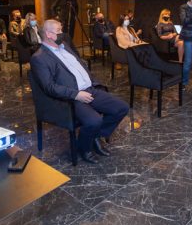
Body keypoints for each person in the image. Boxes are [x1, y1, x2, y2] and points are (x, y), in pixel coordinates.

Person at [30, 19, 129, 164]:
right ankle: (84, 148)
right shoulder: (39, 58)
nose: (62, 33)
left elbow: (80, 66)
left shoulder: (65, 46)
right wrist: (76, 94)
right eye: (58, 31)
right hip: (70, 97)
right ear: (49, 34)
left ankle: (94, 136)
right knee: (94, 121)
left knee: (121, 108)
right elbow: (49, 87)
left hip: (90, 89)